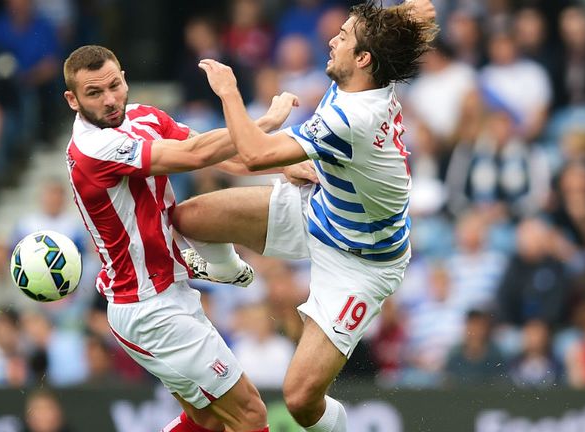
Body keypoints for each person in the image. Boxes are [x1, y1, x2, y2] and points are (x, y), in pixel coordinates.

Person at [172, 1, 437, 430]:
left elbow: (254, 154)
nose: (332, 38)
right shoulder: (364, 79)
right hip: (323, 205)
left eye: (345, 36)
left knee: (299, 400)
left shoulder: (353, 115)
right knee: (191, 217)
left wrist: (228, 92)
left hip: (362, 261)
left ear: (364, 59)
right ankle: (232, 272)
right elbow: (258, 158)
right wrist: (406, 12)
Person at [63, 45, 298, 431]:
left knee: (208, 421)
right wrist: (261, 119)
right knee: (251, 413)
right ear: (72, 99)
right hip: (147, 308)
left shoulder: (143, 117)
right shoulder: (92, 149)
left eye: (114, 85)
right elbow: (193, 154)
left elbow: (225, 157)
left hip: (165, 293)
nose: (109, 100)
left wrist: (285, 164)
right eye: (94, 93)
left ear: (124, 76)